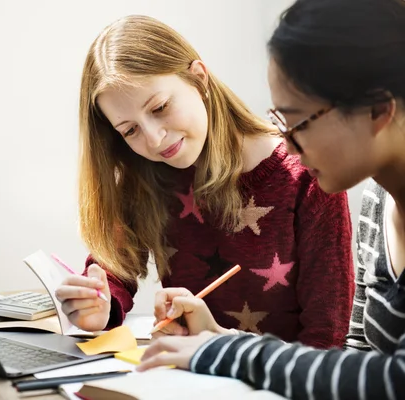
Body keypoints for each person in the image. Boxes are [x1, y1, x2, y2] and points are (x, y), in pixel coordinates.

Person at [137, 0, 405, 398]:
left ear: (378, 109)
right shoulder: (377, 205)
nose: (288, 148)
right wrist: (216, 334)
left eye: (298, 122)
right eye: (280, 121)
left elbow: (391, 380)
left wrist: (229, 350)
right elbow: (356, 359)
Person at [54, 15, 354, 349]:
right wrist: (100, 304)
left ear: (199, 78)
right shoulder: (145, 171)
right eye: (130, 130)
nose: (154, 139)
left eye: (160, 107)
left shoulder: (307, 173)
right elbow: (114, 271)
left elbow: (326, 339)